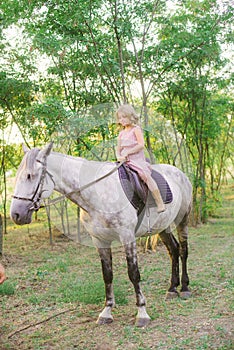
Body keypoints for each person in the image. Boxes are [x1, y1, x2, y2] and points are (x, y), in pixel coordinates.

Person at [116, 104, 166, 213]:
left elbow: (141, 145)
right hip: (124, 161)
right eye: (120, 118)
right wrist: (118, 156)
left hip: (136, 159)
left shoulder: (136, 130)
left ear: (131, 116)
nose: (122, 120)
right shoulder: (121, 134)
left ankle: (159, 202)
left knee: (145, 176)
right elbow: (118, 149)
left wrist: (128, 152)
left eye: (124, 117)